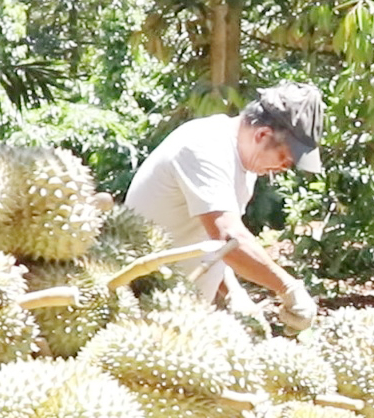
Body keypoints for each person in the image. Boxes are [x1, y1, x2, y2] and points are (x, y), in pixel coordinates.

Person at [124, 82, 324, 330]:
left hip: (179, 313)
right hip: (140, 307)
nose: (283, 170)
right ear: (262, 136)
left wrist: (234, 293)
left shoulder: (245, 166)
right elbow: (228, 238)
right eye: (284, 160)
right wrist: (288, 287)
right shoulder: (205, 147)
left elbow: (214, 244)